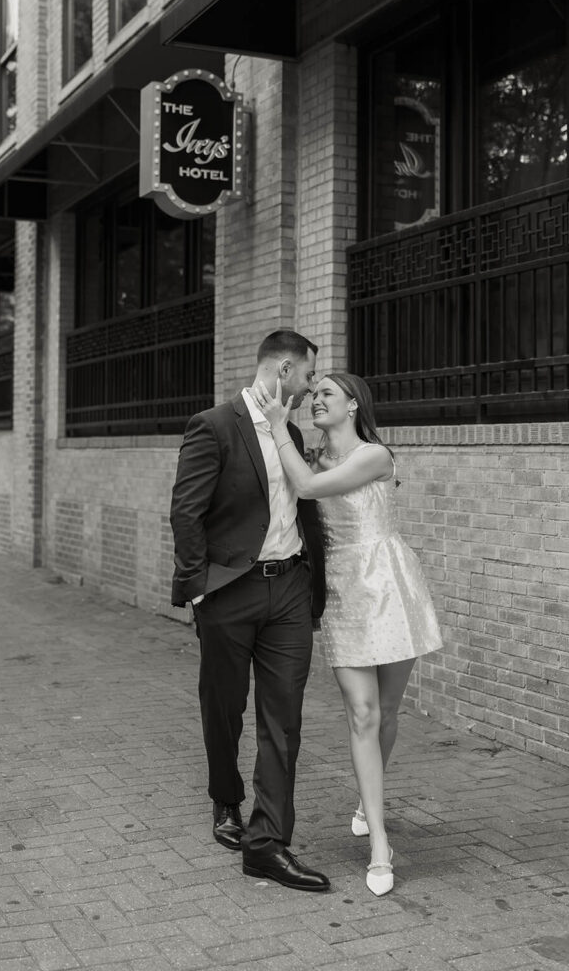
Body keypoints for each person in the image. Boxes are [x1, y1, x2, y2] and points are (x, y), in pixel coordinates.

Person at [253, 371, 442, 897]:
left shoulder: (375, 456)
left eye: (326, 394)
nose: (316, 400)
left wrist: (277, 425)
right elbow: (295, 486)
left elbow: (310, 489)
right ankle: (380, 843)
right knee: (363, 713)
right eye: (313, 394)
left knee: (387, 710)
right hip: (342, 592)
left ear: (353, 405)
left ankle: (367, 799)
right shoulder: (310, 459)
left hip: (390, 585)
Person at [169, 329, 329, 892]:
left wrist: (313, 582)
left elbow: (301, 508)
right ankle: (225, 798)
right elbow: (186, 512)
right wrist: (198, 589)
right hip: (229, 592)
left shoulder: (293, 432)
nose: (311, 387)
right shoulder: (214, 425)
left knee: (283, 719)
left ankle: (267, 845)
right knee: (224, 707)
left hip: (289, 590)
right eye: (308, 375)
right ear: (284, 370)